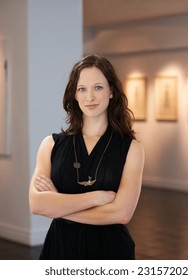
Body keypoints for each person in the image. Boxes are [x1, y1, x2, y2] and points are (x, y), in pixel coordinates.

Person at [29, 54, 145, 260]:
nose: (89, 97)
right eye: (82, 89)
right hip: (60, 250)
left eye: (98, 88)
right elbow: (37, 205)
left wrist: (58, 207)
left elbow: (121, 214)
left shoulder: (132, 149)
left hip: (110, 252)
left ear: (111, 92)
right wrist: (95, 198)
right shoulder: (51, 145)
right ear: (74, 94)